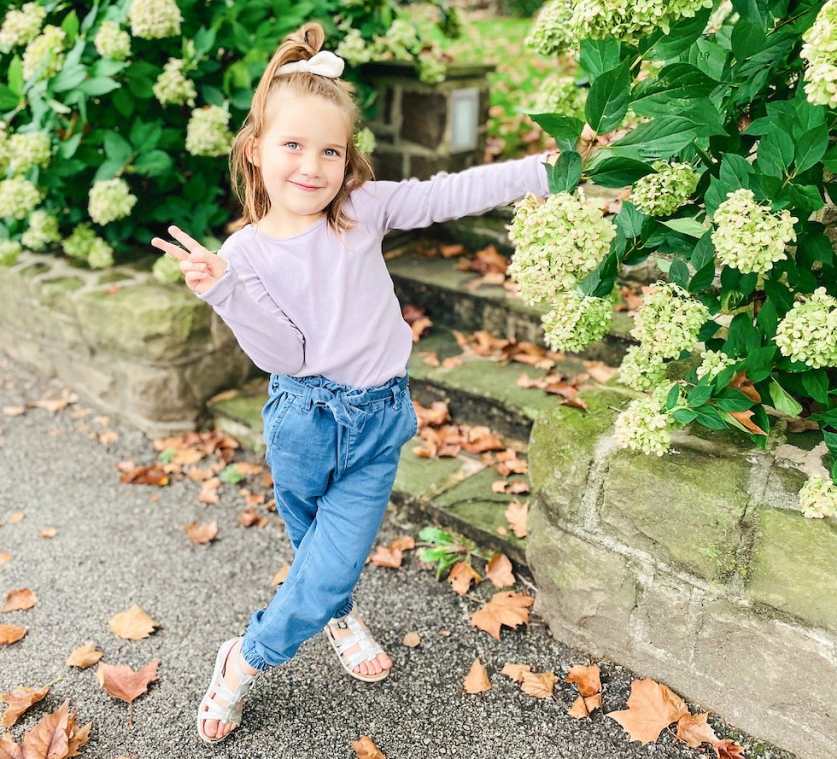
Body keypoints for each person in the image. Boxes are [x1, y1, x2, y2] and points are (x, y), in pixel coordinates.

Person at [152, 21, 555, 745]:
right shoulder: (243, 254)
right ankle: (337, 613)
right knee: (318, 557)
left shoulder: (361, 211)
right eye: (293, 146)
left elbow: (446, 192)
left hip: (377, 420)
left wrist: (539, 172)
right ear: (256, 150)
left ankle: (242, 660)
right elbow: (287, 351)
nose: (312, 166)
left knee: (331, 559)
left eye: (330, 150)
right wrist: (226, 292)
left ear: (348, 160)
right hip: (303, 421)